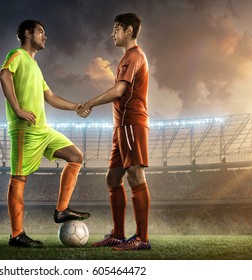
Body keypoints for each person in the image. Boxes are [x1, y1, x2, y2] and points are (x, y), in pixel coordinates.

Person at [0, 19, 90, 247]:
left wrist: (75, 106)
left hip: (43, 130)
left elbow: (50, 96)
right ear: (28, 33)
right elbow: (4, 75)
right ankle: (16, 235)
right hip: (25, 131)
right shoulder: (17, 55)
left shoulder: (35, 67)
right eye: (41, 31)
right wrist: (18, 109)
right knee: (19, 179)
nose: (45, 36)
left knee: (75, 156)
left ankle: (61, 210)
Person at [78, 13, 151, 251]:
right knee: (112, 179)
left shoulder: (133, 57)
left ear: (128, 31)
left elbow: (120, 90)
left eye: (116, 29)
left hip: (131, 122)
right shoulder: (127, 58)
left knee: (135, 176)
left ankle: (142, 238)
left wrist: (90, 102)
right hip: (121, 126)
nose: (113, 33)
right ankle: (118, 235)